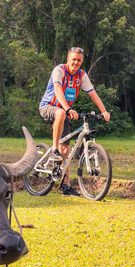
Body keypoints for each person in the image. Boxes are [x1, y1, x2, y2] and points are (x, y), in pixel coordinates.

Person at [39, 47, 111, 196]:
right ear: (68, 59)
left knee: (66, 151)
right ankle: (53, 150)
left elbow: (93, 94)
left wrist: (104, 111)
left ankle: (65, 186)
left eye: (79, 60)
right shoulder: (59, 70)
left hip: (65, 113)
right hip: (49, 107)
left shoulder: (81, 76)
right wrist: (66, 108)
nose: (76, 62)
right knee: (60, 114)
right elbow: (58, 90)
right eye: (74, 59)